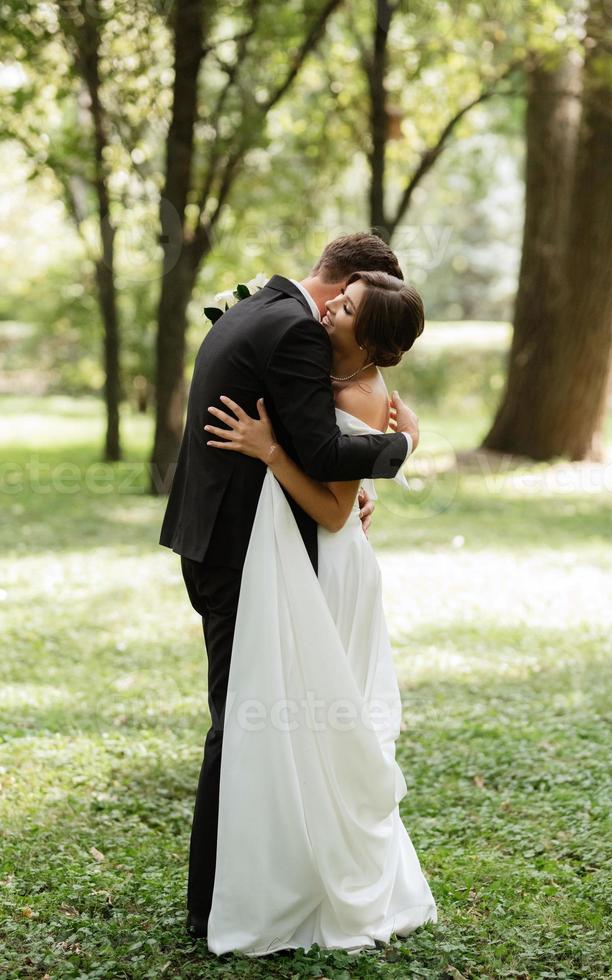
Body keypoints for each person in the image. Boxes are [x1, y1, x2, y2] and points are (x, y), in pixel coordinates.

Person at [158, 234, 421, 939]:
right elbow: (327, 458)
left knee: (262, 720)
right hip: (250, 552)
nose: (334, 308)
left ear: (367, 333)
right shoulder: (292, 331)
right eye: (343, 295)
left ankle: (238, 893)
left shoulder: (258, 313)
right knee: (251, 720)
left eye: (350, 307)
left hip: (254, 550)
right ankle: (234, 891)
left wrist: (370, 461)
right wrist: (394, 453)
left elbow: (330, 474)